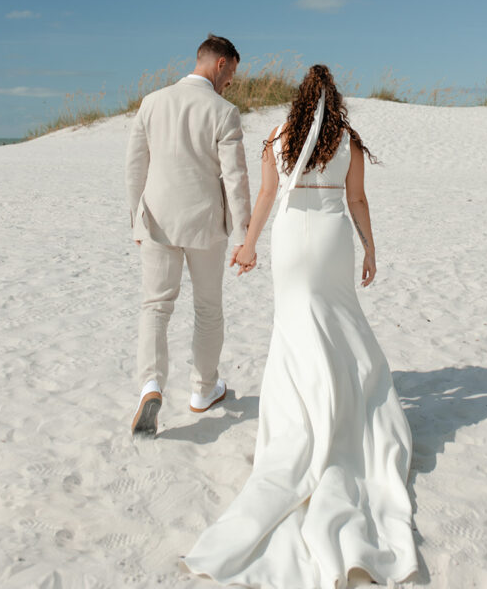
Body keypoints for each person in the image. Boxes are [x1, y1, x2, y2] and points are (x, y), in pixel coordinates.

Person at [184, 63, 417, 587]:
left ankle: (303, 415)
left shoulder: (277, 138)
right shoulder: (348, 144)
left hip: (290, 238)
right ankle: (343, 406)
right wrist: (370, 248)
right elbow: (357, 199)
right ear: (334, 102)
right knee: (339, 322)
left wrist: (247, 246)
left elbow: (266, 196)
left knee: (294, 326)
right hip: (332, 236)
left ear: (298, 101)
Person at [125, 34, 251, 436]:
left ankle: (150, 385)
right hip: (205, 225)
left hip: (158, 220)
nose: (231, 81)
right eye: (231, 72)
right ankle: (202, 390)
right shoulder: (224, 111)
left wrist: (136, 220)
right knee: (208, 309)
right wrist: (244, 235)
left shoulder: (152, 102)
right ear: (220, 64)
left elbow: (134, 168)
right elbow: (235, 178)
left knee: (156, 307)